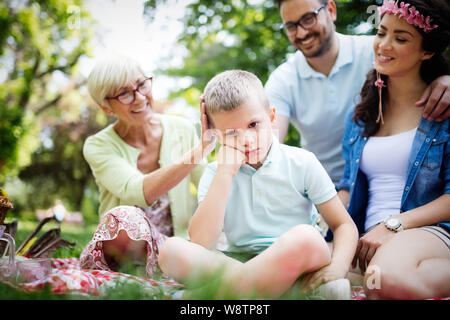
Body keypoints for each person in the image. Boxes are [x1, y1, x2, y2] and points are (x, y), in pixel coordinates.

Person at [157, 70, 359, 299]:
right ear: (216, 135)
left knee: (307, 237)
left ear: (272, 117)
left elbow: (343, 225)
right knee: (171, 251)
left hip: (298, 262)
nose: (247, 140)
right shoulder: (215, 173)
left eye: (253, 124)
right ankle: (276, 289)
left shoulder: (301, 162)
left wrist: (338, 267)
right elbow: (202, 241)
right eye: (231, 133)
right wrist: (225, 173)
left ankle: (208, 296)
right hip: (238, 260)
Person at [265, 0, 450, 187]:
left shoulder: (379, 53)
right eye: (291, 26)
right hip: (322, 189)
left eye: (308, 19)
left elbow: (426, 57)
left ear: (331, 10)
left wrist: (446, 79)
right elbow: (268, 141)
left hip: (380, 180)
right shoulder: (282, 80)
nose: (301, 32)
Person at [337, 0, 450, 299]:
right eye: (381, 33)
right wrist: (322, 220)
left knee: (382, 280)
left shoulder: (445, 112)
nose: (384, 45)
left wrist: (395, 225)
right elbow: (348, 186)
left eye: (401, 38)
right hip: (368, 237)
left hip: (428, 231)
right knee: (299, 271)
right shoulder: (360, 116)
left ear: (427, 51)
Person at [79, 55, 215, 276]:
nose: (140, 98)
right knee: (123, 217)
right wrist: (200, 150)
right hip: (125, 249)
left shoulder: (181, 128)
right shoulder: (97, 145)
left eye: (142, 84)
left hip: (176, 246)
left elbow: (207, 185)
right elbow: (137, 191)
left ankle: (241, 275)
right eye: (124, 93)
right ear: (106, 107)